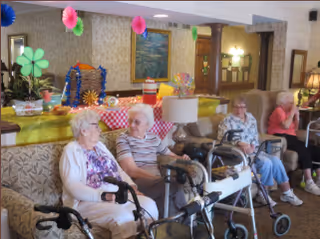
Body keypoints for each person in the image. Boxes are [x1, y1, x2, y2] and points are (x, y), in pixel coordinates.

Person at [59, 110, 158, 239]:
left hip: (118, 196)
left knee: (150, 205)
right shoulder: (71, 150)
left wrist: (131, 186)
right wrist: (103, 196)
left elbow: (118, 170)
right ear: (84, 130)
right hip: (87, 202)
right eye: (96, 126)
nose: (100, 130)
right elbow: (73, 186)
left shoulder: (100, 146)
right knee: (123, 218)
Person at [217, 95, 303, 206]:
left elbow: (255, 136)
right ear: (232, 107)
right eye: (236, 107)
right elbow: (222, 138)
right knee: (266, 162)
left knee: (276, 161)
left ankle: (287, 193)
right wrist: (240, 143)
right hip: (239, 153)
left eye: (242, 107)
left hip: (255, 150)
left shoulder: (251, 118)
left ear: (246, 108)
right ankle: (263, 194)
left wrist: (253, 145)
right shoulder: (227, 120)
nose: (239, 110)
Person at [116, 103, 190, 219]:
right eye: (130, 121)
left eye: (137, 122)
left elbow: (170, 155)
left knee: (173, 186)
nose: (131, 125)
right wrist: (158, 179)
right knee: (171, 185)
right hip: (137, 181)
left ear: (147, 124)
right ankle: (186, 221)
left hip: (156, 180)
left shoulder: (153, 138)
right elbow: (130, 170)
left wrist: (183, 159)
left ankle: (171, 224)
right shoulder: (123, 139)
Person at [268, 91, 320, 196]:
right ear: (283, 103)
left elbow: (294, 129)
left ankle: (318, 178)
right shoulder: (279, 110)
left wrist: (296, 116)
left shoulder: (288, 112)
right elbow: (285, 126)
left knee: (315, 149)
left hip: (291, 137)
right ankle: (309, 182)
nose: (293, 105)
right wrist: (292, 113)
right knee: (303, 149)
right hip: (279, 137)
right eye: (291, 102)